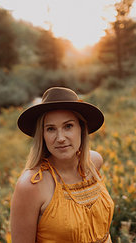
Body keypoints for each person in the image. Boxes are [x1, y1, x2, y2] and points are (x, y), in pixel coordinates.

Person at [10, 87, 114, 243]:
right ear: (42, 135)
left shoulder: (94, 162)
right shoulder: (32, 185)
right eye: (51, 129)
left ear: (81, 128)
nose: (60, 138)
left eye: (68, 126)